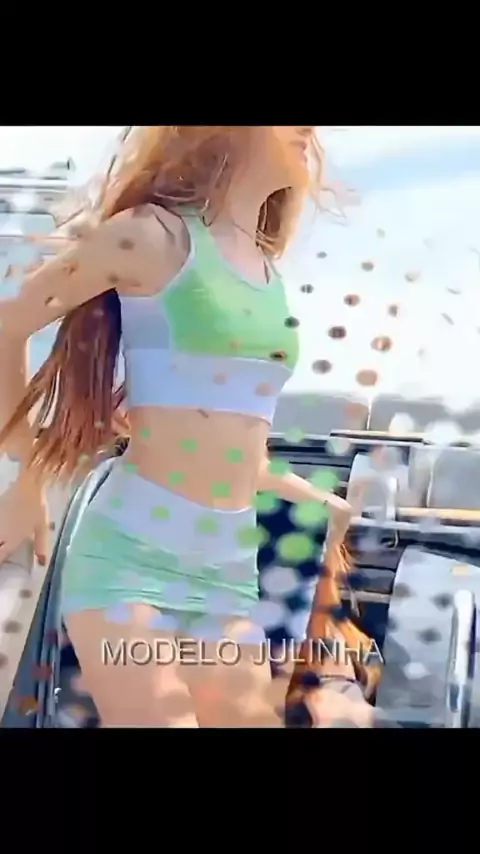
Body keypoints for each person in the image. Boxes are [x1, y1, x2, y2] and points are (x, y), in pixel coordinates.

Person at [0, 126, 377, 727]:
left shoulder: (264, 273)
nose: (309, 134)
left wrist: (309, 496)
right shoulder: (153, 237)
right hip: (130, 561)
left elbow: (238, 453)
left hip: (226, 571)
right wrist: (26, 478)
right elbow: (9, 323)